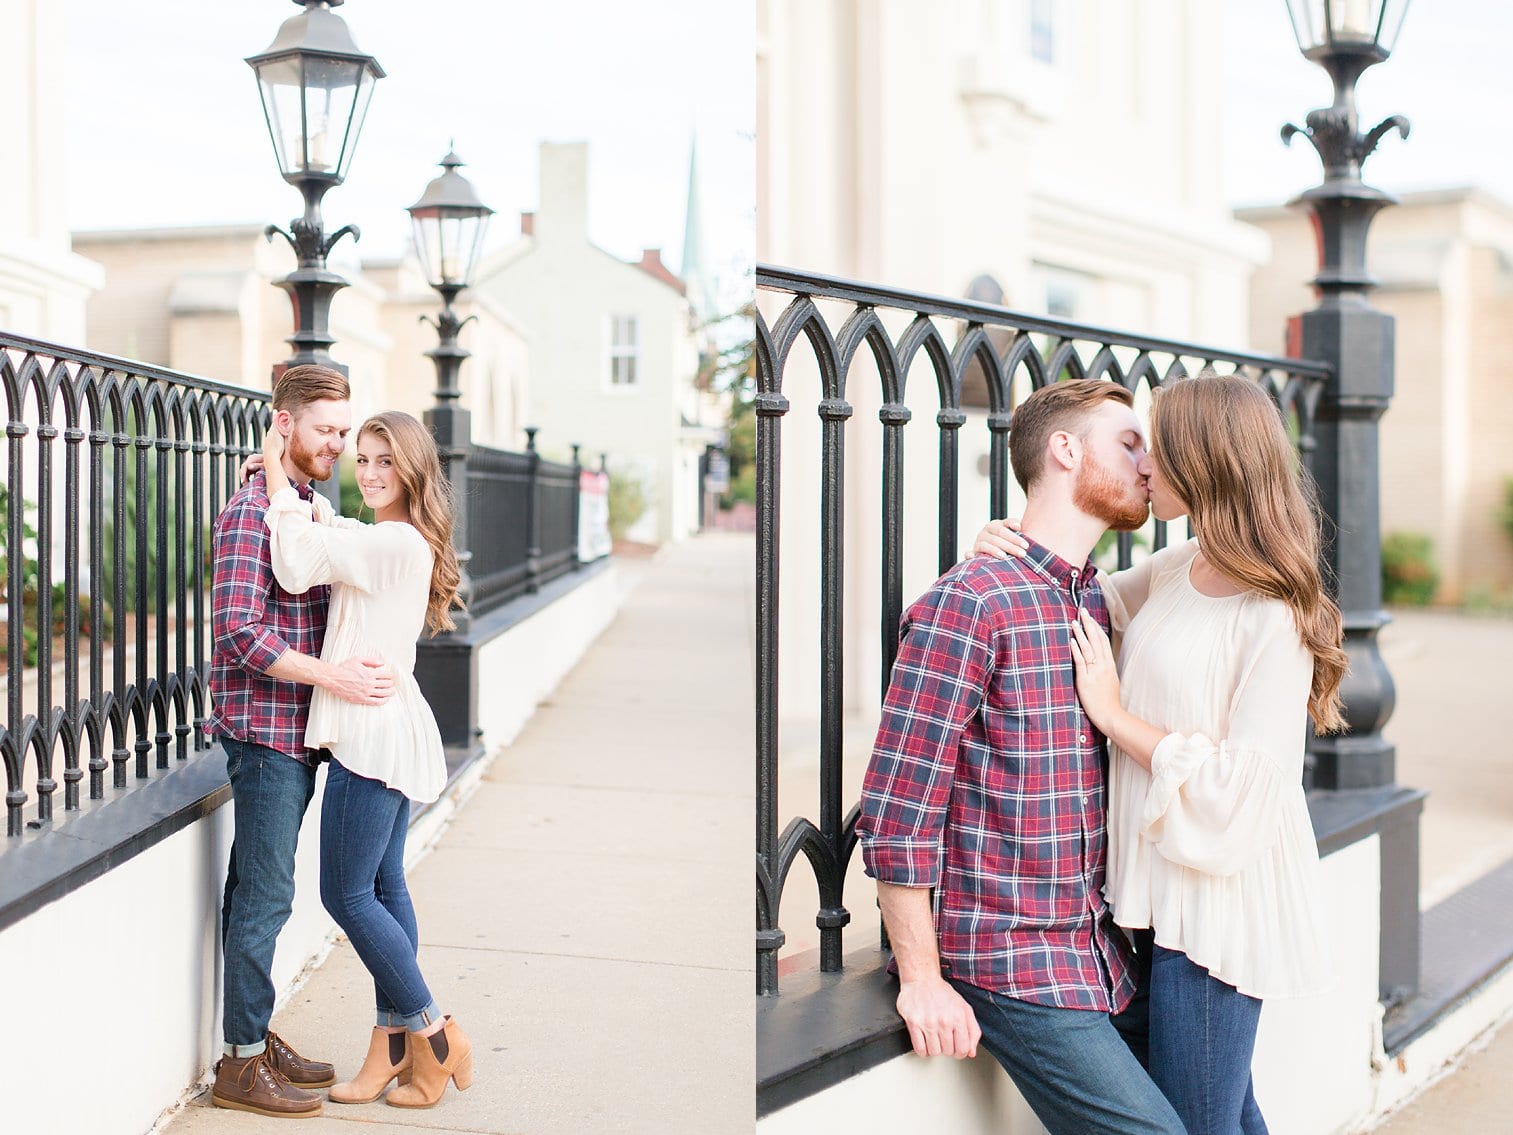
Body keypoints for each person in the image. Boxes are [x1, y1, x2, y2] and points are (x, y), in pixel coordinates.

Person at [973, 375, 1343, 1134]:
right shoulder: (1179, 569)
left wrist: (1113, 716)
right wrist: (999, 545)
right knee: (1225, 1118)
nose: (1143, 467)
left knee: (1203, 1122)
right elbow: (1073, 599)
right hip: (1154, 897)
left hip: (1213, 910)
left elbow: (1243, 791)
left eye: (1155, 449)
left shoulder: (1271, 613)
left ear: (1203, 460)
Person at [857, 379, 1184, 1135]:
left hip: (1104, 955)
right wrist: (922, 979)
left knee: (1222, 1112)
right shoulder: (970, 600)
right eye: (1130, 443)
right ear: (1063, 449)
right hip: (1010, 962)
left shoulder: (1097, 601)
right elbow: (899, 808)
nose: (1148, 464)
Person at [258, 408, 474, 1110]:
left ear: (413, 470)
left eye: (387, 461)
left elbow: (295, 563)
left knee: (345, 894)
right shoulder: (391, 537)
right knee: (383, 886)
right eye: (366, 458)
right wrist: (301, 499)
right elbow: (337, 531)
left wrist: (271, 471)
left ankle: (434, 1035)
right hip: (385, 724)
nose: (372, 472)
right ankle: (392, 1053)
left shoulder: (395, 544)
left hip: (369, 730)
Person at [207, 364, 396, 1119]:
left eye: (344, 432)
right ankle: (241, 1063)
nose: (339, 445)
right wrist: (336, 678)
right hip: (265, 738)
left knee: (255, 893)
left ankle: (248, 1036)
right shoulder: (252, 512)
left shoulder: (304, 505)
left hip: (298, 734)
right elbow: (238, 630)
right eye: (326, 430)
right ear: (283, 424)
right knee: (266, 896)